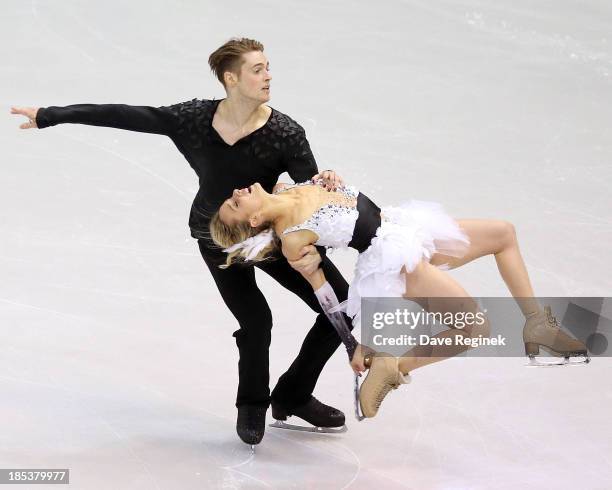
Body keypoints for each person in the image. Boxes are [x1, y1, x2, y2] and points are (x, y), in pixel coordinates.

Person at [10, 38, 352, 446]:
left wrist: (324, 182)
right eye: (258, 69)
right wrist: (51, 115)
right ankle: (252, 404)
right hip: (218, 238)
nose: (268, 76)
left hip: (268, 237)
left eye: (267, 67)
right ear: (231, 78)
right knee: (256, 320)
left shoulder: (284, 133)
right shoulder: (193, 120)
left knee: (342, 308)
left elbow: (303, 198)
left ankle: (293, 394)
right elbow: (128, 115)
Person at [209, 179, 590, 418]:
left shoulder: (287, 189)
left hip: (402, 226)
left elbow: (338, 197)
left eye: (233, 196)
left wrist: (329, 179)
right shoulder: (293, 238)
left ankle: (537, 324)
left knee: (503, 234)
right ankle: (395, 367)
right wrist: (352, 342)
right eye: (236, 204)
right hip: (392, 257)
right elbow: (326, 298)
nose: (237, 192)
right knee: (475, 327)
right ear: (254, 222)